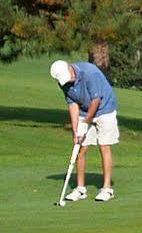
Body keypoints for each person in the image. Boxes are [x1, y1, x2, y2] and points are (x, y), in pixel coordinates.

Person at [49, 59, 120, 202]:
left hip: (104, 108)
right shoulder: (63, 81)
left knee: (104, 146)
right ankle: (80, 189)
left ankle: (107, 189)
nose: (68, 81)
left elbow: (96, 101)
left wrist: (86, 123)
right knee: (80, 148)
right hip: (83, 110)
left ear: (70, 68)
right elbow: (72, 104)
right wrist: (76, 130)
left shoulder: (89, 72)